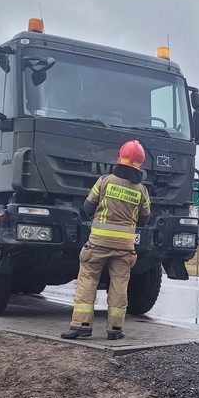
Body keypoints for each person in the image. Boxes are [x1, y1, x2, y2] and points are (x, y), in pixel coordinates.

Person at [62, 140, 151, 340]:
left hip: (98, 243)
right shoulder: (141, 190)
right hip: (125, 247)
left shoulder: (104, 181)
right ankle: (115, 329)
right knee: (120, 284)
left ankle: (81, 326)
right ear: (140, 163)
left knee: (88, 280)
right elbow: (145, 218)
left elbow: (87, 207)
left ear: (120, 158)